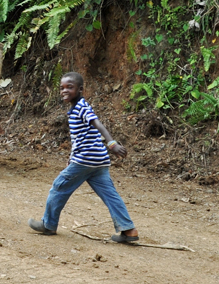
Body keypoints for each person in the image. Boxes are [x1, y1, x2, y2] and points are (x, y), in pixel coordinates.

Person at [28, 72, 139, 243]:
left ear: (80, 89)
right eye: (62, 88)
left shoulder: (82, 106)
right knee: (110, 195)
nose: (65, 91)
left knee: (59, 187)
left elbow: (98, 124)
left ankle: (48, 224)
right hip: (99, 161)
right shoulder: (75, 109)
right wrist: (72, 156)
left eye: (69, 87)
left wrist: (112, 144)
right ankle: (128, 230)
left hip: (86, 159)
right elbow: (81, 138)